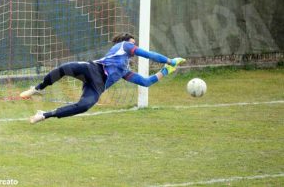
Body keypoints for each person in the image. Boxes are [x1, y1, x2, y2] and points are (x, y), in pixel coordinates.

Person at [20, 33, 186, 124]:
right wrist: (170, 60)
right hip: (93, 69)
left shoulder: (124, 70)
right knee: (64, 69)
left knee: (84, 106)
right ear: (125, 42)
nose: (134, 45)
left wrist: (166, 71)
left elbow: (145, 82)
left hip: (97, 86)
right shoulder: (123, 46)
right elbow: (148, 54)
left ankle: (44, 115)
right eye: (132, 42)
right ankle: (37, 89)